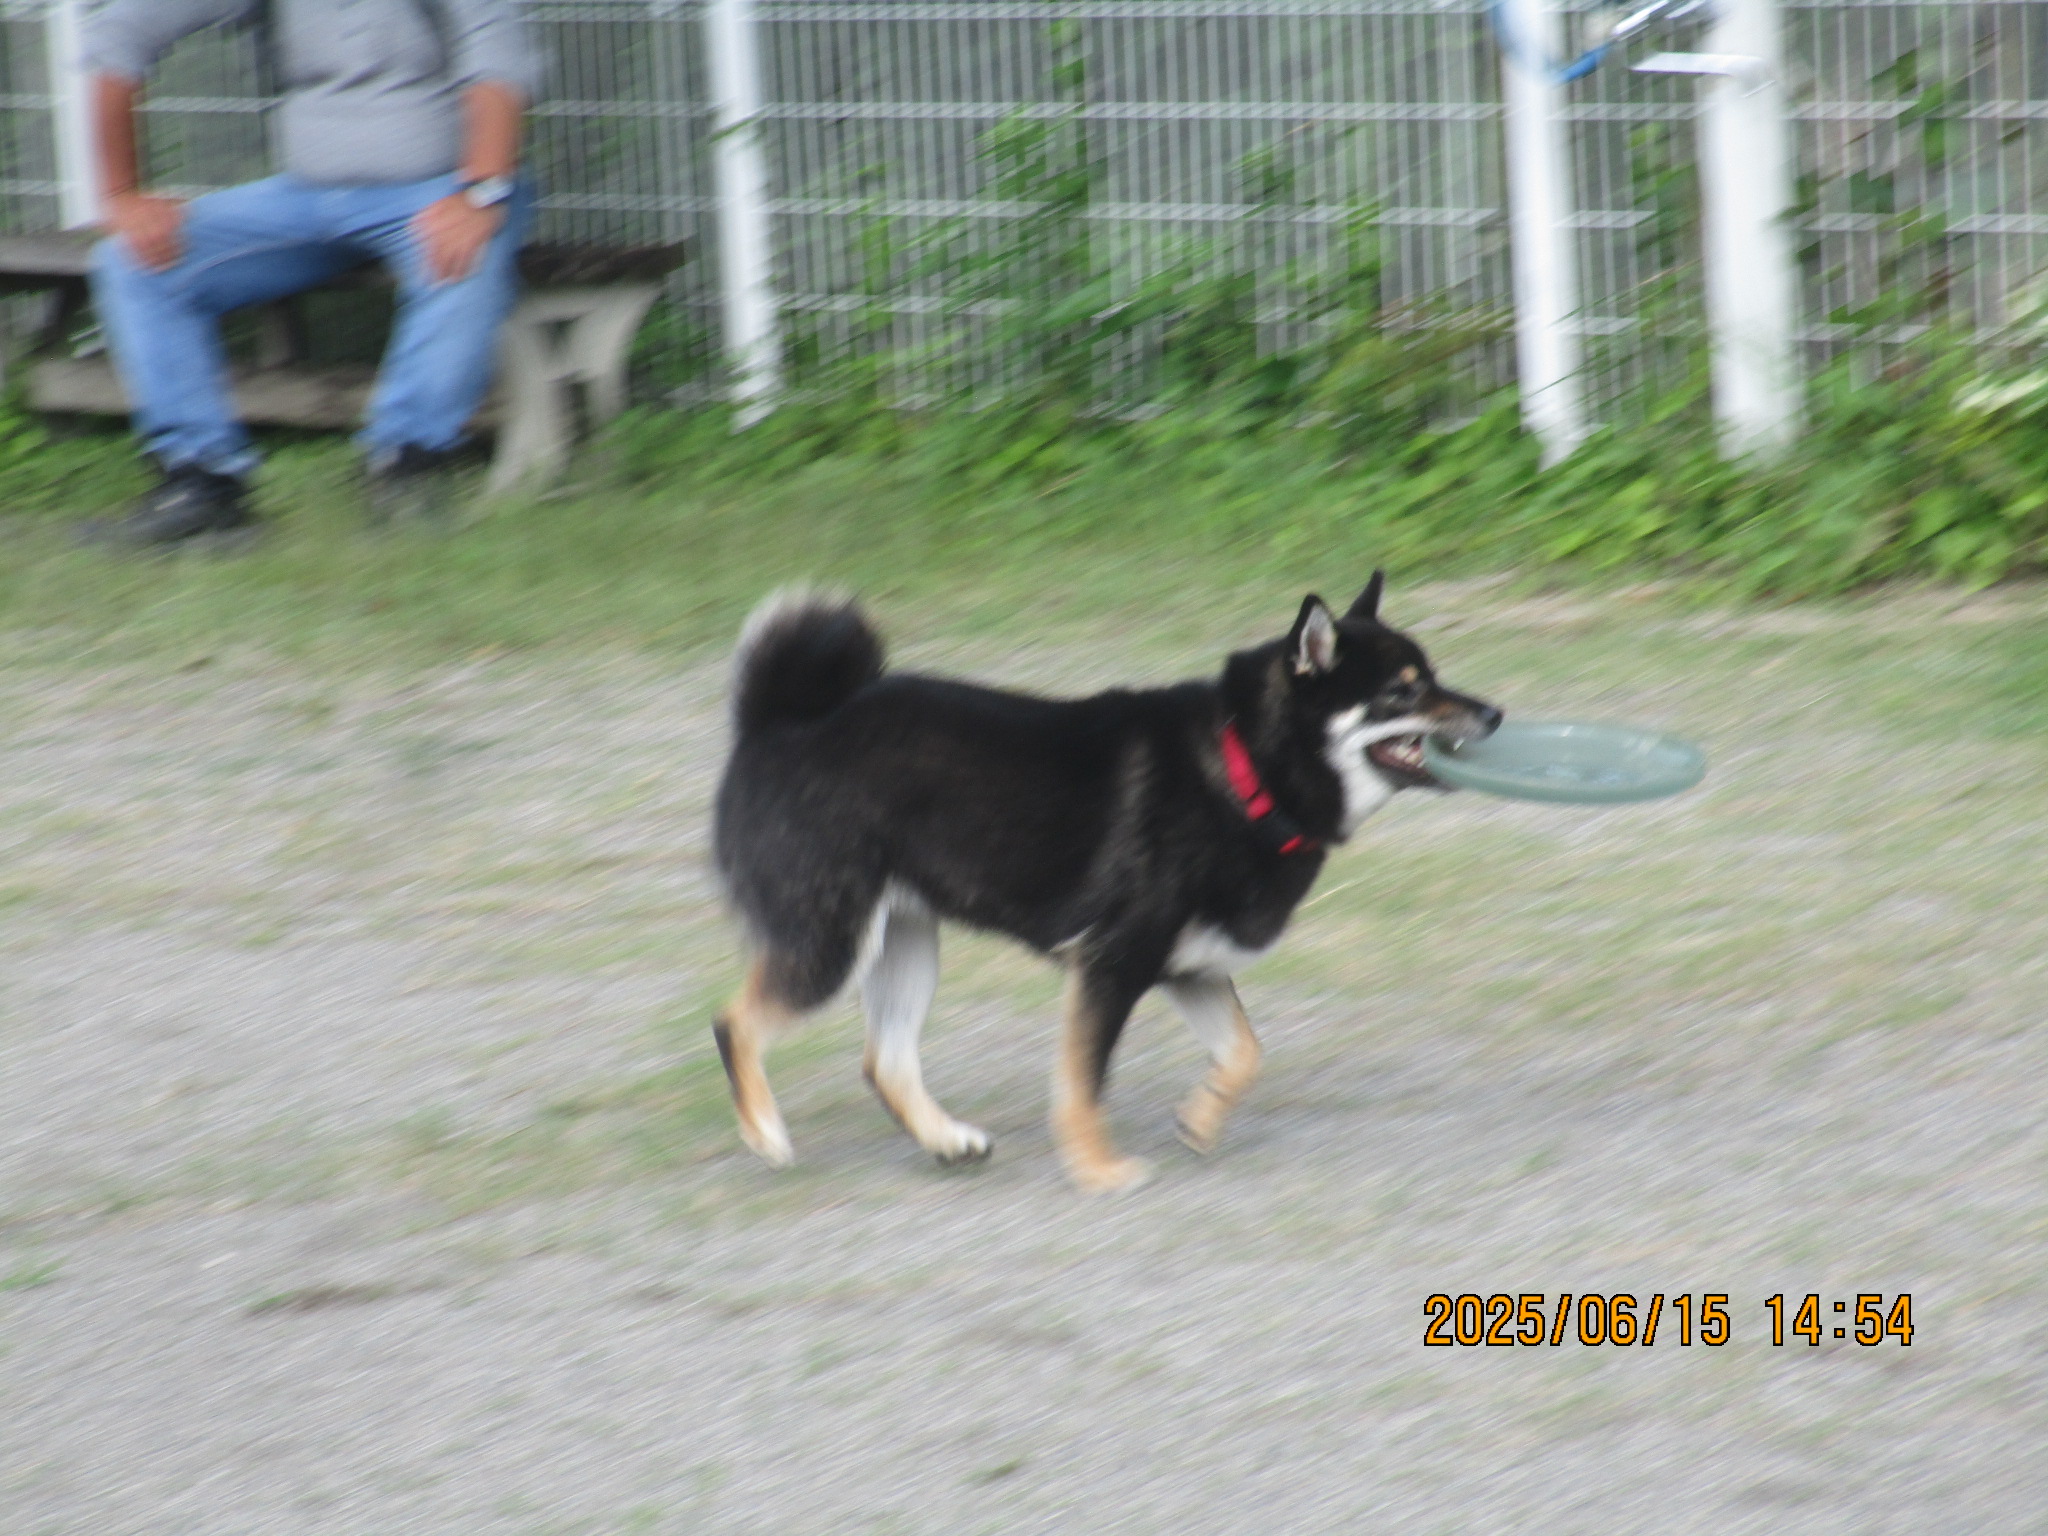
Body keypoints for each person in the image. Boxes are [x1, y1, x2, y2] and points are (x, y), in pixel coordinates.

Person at [80, 1, 546, 544]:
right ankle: (202, 482)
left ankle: (407, 468)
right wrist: (122, 194)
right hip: (308, 196)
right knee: (131, 262)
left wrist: (480, 191)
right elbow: (121, 32)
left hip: (441, 188)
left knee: (467, 251)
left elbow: (499, 57)